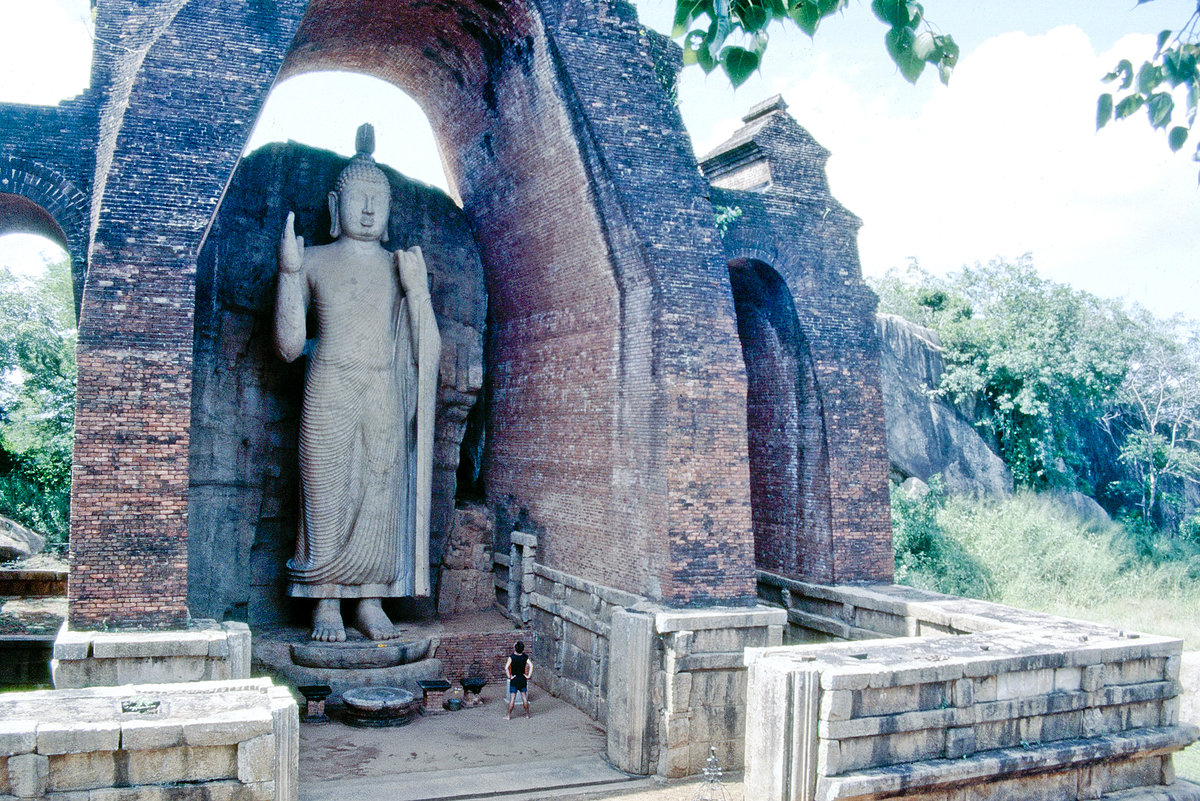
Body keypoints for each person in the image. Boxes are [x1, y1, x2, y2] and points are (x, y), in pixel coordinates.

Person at [274, 124, 440, 642]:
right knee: (324, 490)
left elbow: (427, 347)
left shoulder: (399, 267)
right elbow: (287, 345)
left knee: (380, 492)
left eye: (378, 200)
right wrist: (288, 273)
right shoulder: (315, 260)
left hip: (382, 388)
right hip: (329, 384)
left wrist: (418, 293)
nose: (369, 210)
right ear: (334, 202)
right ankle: (325, 601)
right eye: (359, 199)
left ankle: (370, 599)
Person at [505, 640, 533, 720]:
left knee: (512, 699)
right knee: (524, 697)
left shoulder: (511, 657)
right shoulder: (525, 657)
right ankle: (527, 714)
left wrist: (509, 676)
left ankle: (509, 715)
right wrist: (528, 676)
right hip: (522, 679)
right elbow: (531, 665)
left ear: (515, 648)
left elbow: (506, 667)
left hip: (514, 679)